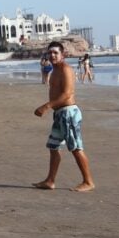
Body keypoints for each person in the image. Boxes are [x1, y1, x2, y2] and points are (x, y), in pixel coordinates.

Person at [32, 41, 95, 192]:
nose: (52, 55)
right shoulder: (54, 71)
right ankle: (50, 181)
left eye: (55, 53)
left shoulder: (66, 69)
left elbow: (67, 94)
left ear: (63, 55)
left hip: (69, 114)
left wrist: (46, 106)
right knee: (53, 147)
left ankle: (88, 181)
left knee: (75, 148)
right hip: (59, 114)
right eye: (50, 53)